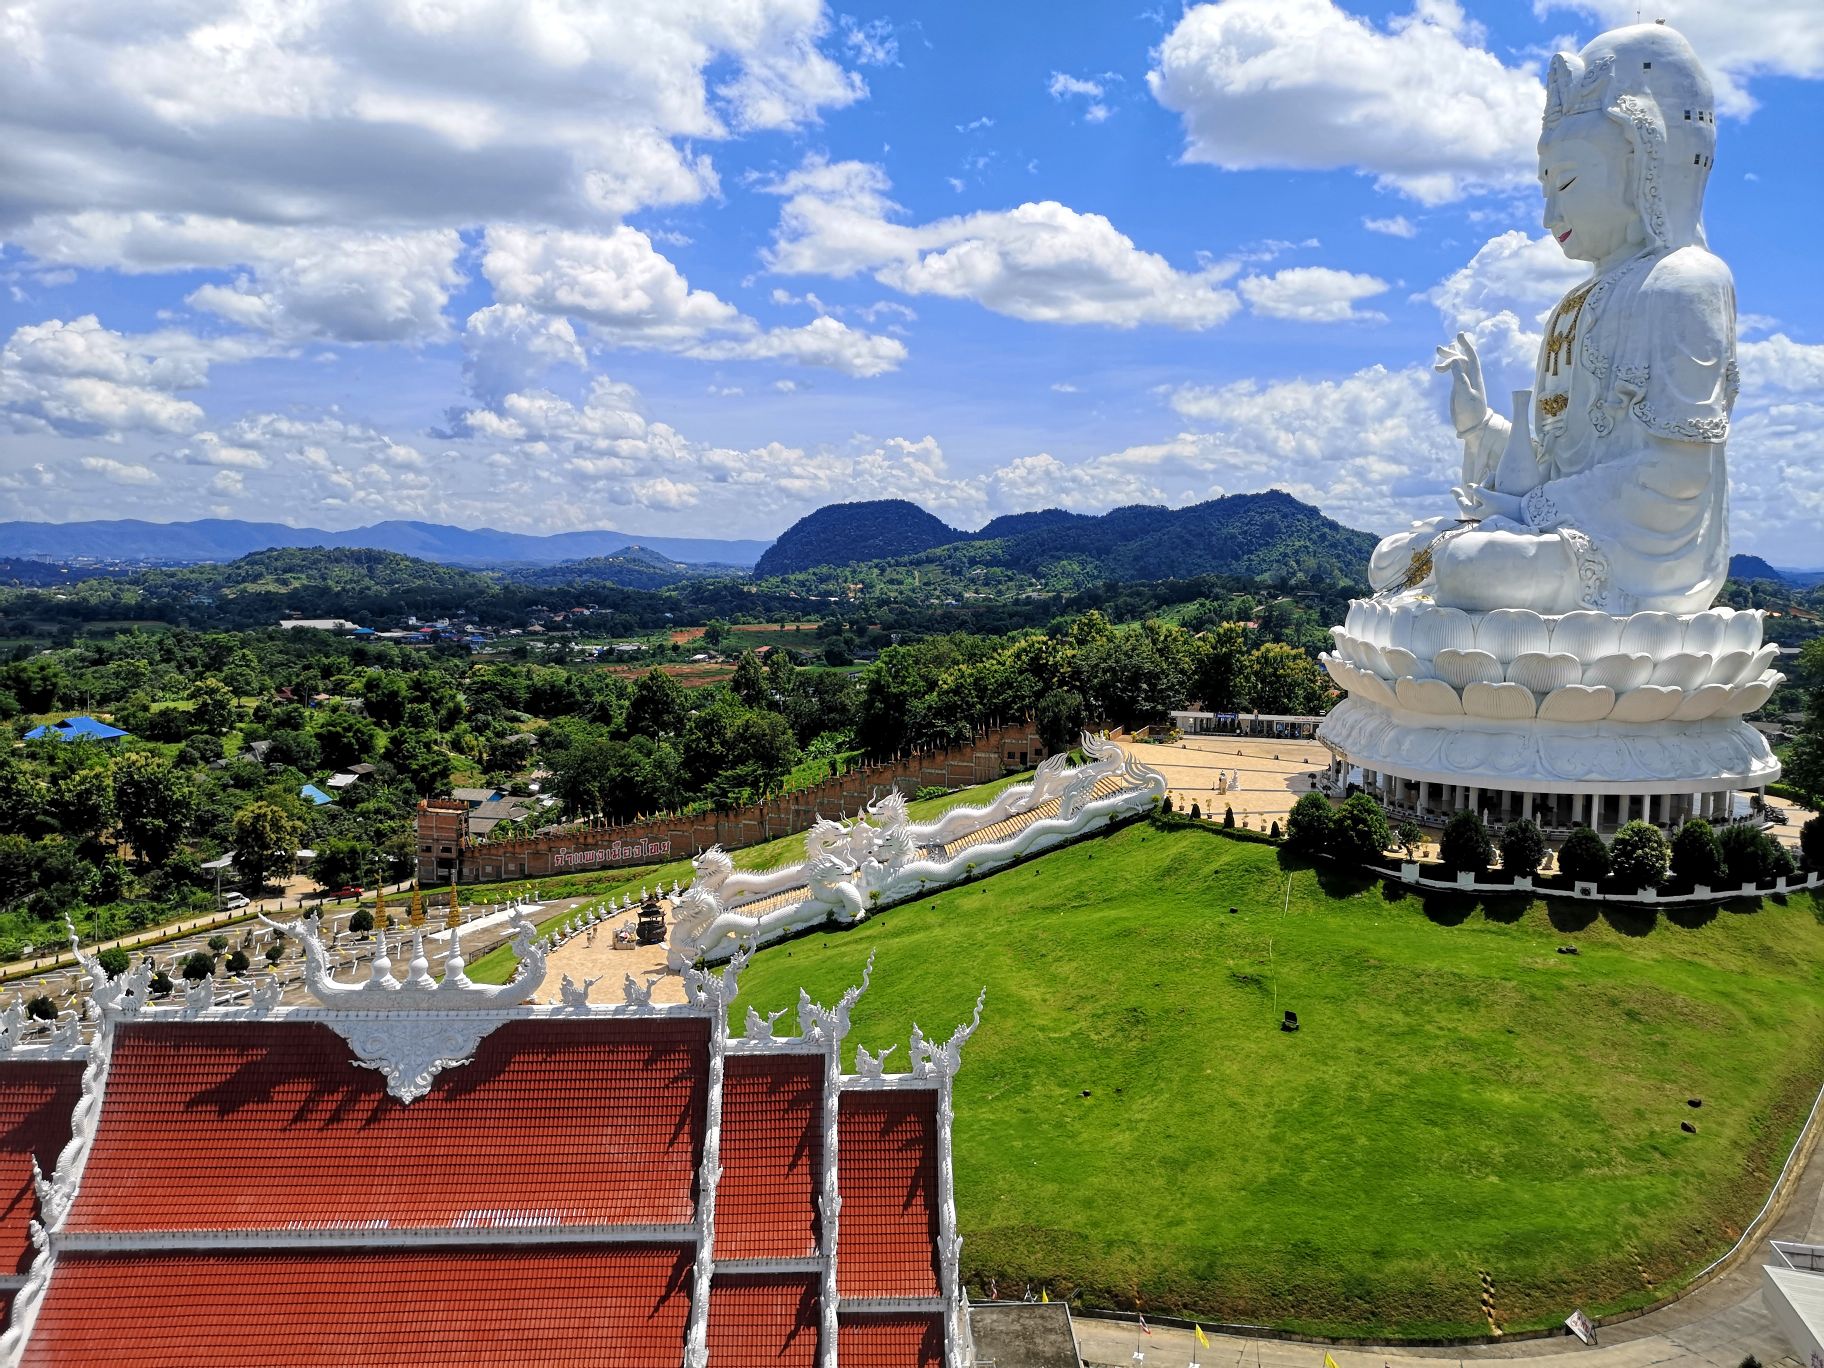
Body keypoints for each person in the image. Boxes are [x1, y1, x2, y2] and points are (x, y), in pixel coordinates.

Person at [1369, 24, 1734, 616]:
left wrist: (1526, 515)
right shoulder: (1572, 304)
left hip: (1640, 554)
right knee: (1393, 558)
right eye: (1544, 185)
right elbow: (1555, 456)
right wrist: (1481, 428)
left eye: (1565, 181)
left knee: (1468, 567)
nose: (1548, 214)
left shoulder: (1685, 280)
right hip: (1558, 526)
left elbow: (1676, 478)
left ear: (1642, 158)